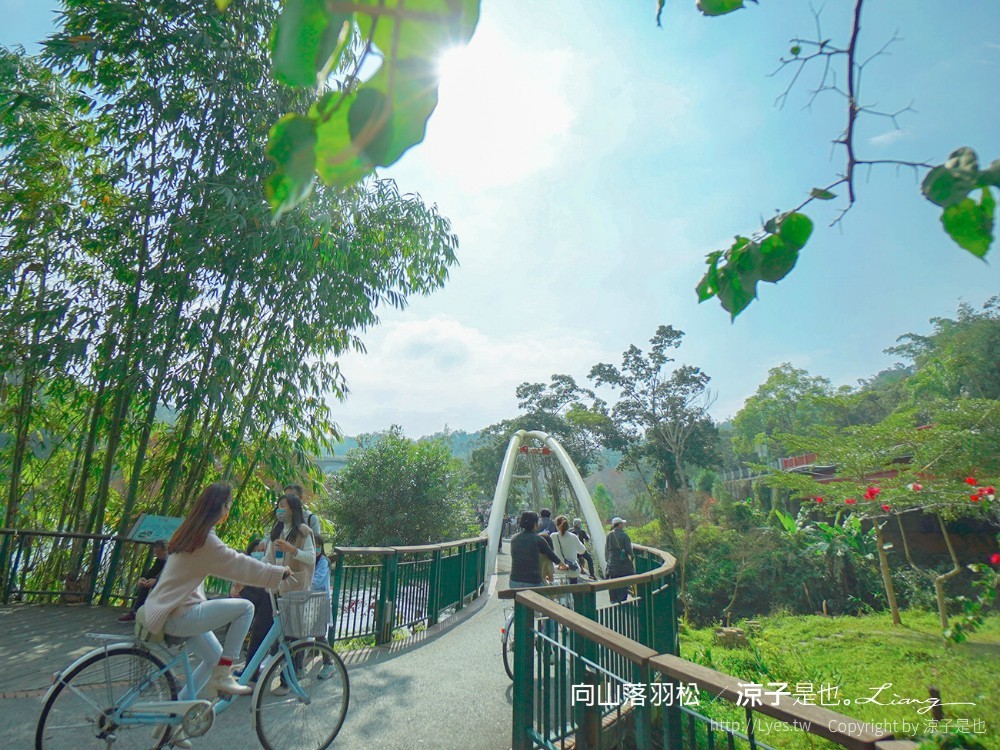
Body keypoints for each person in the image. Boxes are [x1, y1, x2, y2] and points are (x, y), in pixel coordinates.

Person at [142, 483, 290, 697]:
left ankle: (175, 717)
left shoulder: (189, 532)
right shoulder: (205, 540)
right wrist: (278, 572)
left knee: (214, 657)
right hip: (178, 614)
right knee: (245, 608)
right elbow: (239, 564)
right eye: (228, 506)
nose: (228, 511)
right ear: (220, 509)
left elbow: (230, 564)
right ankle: (223, 676)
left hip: (165, 609)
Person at [264, 493, 316, 696]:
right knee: (281, 633)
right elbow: (270, 557)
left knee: (292, 635)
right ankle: (279, 676)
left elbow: (311, 558)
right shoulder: (276, 531)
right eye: (278, 504)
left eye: (283, 505)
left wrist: (292, 550)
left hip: (296, 589)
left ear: (293, 509)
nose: (279, 508)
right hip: (277, 587)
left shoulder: (304, 531)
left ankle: (288, 680)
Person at [230, 538, 271, 683]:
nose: (258, 554)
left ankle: (252, 671)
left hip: (269, 597)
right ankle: (251, 670)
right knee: (258, 635)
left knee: (261, 634)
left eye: (261, 551)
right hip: (261, 598)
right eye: (256, 551)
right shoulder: (248, 565)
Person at [509, 511, 566, 589]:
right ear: (535, 524)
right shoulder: (538, 539)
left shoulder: (514, 538)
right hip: (533, 582)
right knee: (545, 597)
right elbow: (551, 555)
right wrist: (564, 566)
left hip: (514, 581)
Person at [117, 539, 168, 622]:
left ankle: (153, 613)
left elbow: (169, 575)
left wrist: (156, 581)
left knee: (155, 586)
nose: (157, 556)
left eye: (158, 553)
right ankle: (135, 612)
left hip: (172, 583)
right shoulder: (161, 558)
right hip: (163, 580)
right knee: (145, 585)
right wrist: (143, 579)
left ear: (165, 550)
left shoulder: (172, 558)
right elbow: (154, 570)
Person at [311, 534, 337, 679]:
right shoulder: (309, 561)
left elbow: (317, 581)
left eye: (318, 545)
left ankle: (329, 663)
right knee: (303, 634)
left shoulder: (323, 562)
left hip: (320, 601)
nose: (315, 548)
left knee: (320, 634)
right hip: (309, 600)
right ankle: (300, 667)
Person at [604, 516, 635, 603]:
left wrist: (607, 559)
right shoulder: (624, 535)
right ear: (619, 525)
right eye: (622, 523)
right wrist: (632, 556)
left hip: (612, 561)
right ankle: (622, 599)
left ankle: (613, 599)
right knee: (624, 579)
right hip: (622, 561)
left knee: (612, 579)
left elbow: (606, 548)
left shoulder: (609, 534)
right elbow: (629, 549)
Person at [551, 515, 587, 584]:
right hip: (572, 571)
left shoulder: (553, 536)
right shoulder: (574, 537)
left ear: (557, 526)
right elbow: (582, 551)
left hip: (558, 571)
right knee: (573, 592)